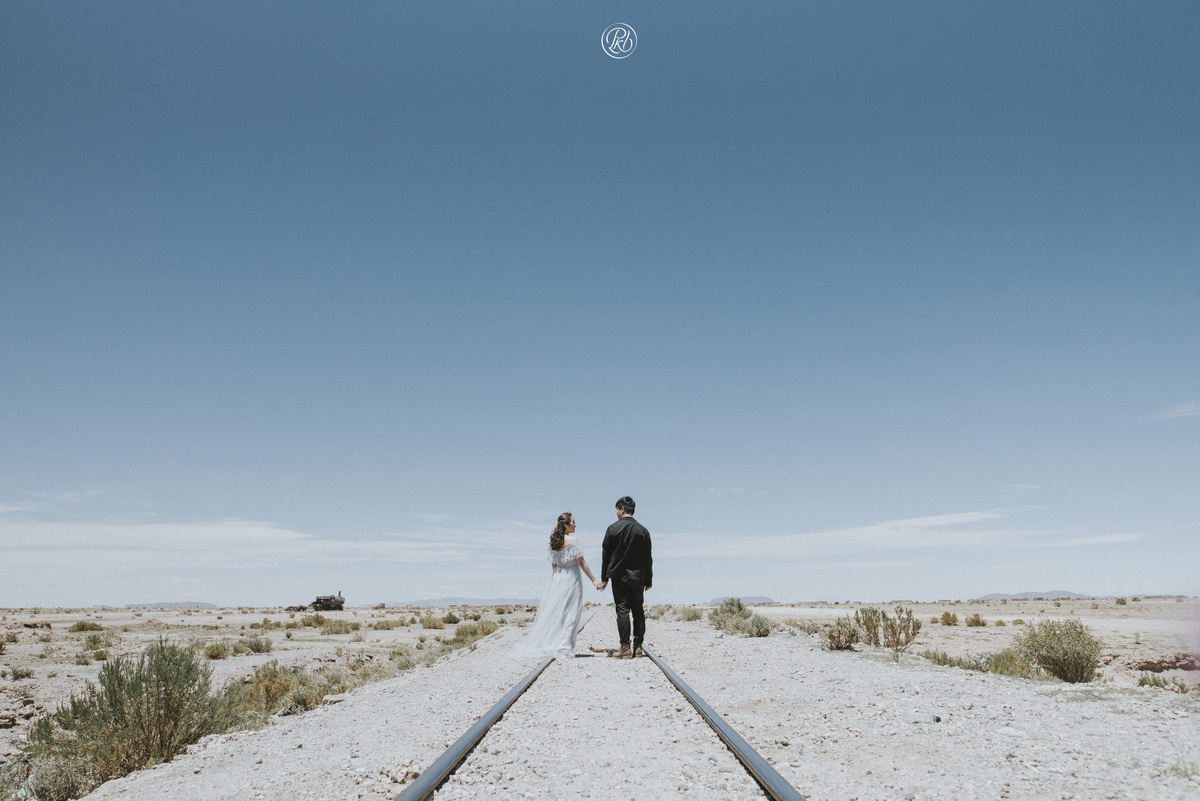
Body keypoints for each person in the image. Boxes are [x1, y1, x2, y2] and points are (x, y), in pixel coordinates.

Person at [511, 512, 604, 662]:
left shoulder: (553, 542)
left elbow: (554, 564)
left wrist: (558, 577)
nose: (575, 524)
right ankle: (563, 646)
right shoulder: (573, 541)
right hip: (572, 577)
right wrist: (594, 580)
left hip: (557, 577)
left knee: (557, 610)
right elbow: (581, 562)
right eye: (573, 522)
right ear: (565, 525)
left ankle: (552, 642)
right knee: (571, 611)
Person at [599, 496, 652, 659]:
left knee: (622, 611)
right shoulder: (643, 530)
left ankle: (624, 647)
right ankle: (638, 647)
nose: (616, 513)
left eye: (617, 510)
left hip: (619, 577)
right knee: (638, 611)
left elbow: (606, 556)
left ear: (622, 509)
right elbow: (648, 558)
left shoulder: (612, 529)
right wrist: (649, 580)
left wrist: (605, 578)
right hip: (638, 577)